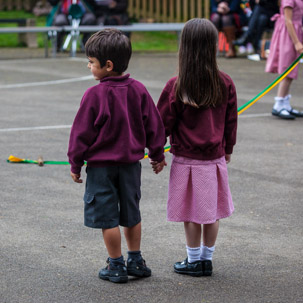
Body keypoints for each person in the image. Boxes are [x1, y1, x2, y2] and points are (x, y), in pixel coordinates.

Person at [67, 29, 166, 283]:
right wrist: (157, 155)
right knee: (131, 213)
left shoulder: (94, 95)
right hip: (131, 166)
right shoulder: (139, 90)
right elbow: (155, 126)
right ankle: (136, 260)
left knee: (107, 217)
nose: (88, 66)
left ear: (107, 65)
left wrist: (75, 163)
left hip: (101, 169)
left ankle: (116, 265)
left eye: (91, 62)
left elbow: (81, 133)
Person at [153, 18, 238, 277]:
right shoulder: (225, 82)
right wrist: (228, 149)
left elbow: (161, 124)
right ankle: (206, 260)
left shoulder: (176, 85)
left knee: (191, 213)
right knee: (210, 213)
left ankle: (193, 261)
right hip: (213, 159)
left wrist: (156, 153)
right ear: (214, 46)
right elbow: (231, 121)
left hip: (186, 160)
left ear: (184, 47)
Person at [265, 0, 303, 119]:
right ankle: (279, 105)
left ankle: (285, 104)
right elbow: (288, 21)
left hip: (295, 32)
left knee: (292, 69)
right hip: (287, 35)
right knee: (287, 69)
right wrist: (297, 42)